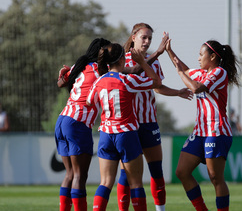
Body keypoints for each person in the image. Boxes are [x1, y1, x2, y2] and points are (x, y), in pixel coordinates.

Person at [117, 23, 193, 211]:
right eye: (144, 37)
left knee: (156, 172)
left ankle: (160, 210)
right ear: (133, 37)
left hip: (149, 123)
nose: (147, 41)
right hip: (128, 125)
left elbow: (157, 87)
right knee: (125, 176)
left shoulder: (154, 61)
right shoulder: (122, 61)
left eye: (150, 38)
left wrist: (177, 92)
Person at [165, 38, 242, 211]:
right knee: (182, 172)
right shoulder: (202, 73)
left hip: (216, 130)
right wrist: (169, 50)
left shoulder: (219, 72)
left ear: (213, 57)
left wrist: (180, 73)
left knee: (215, 177)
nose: (198, 58)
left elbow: (196, 88)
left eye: (201, 55)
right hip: (200, 132)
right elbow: (183, 68)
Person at [86, 43, 162, 211]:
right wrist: (142, 62)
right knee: (135, 183)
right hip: (126, 134)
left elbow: (89, 101)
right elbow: (156, 82)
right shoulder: (127, 80)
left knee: (105, 182)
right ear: (122, 59)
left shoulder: (99, 81)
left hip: (106, 134)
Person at [55, 37, 111, 211]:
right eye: (108, 51)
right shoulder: (103, 71)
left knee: (70, 174)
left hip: (63, 119)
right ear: (102, 52)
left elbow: (61, 83)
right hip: (78, 123)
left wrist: (61, 74)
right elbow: (130, 69)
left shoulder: (79, 67)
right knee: (80, 175)